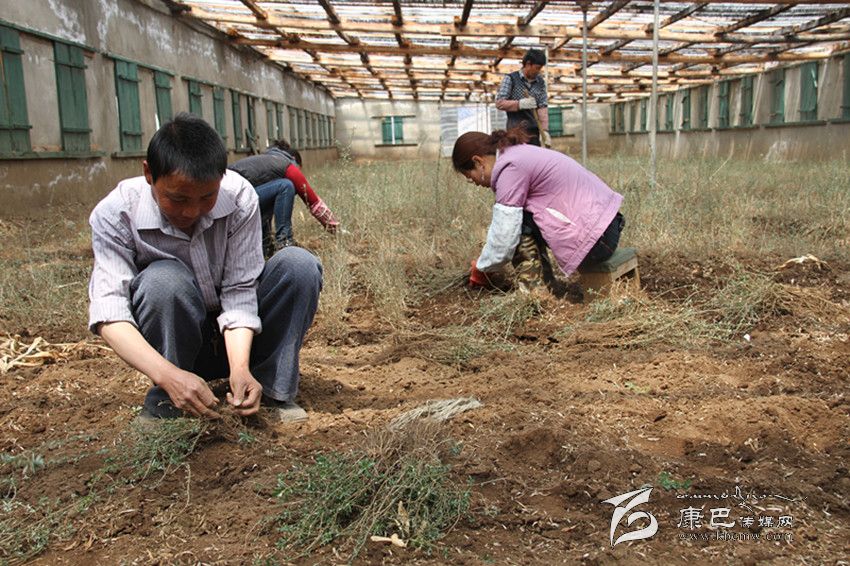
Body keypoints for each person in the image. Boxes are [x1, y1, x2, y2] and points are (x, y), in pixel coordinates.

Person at [88, 113, 323, 423]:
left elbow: (240, 290)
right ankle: (168, 400)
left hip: (244, 339)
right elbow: (110, 314)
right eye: (177, 198)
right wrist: (167, 375)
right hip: (179, 345)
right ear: (148, 174)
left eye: (207, 197)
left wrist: (240, 369)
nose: (192, 211)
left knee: (299, 265)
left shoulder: (239, 196)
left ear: (221, 177)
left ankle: (268, 389)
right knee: (162, 280)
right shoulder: (116, 213)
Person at [452, 127, 625, 293]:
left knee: (515, 224)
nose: (474, 183)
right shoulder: (517, 154)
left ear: (478, 161)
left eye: (470, 177)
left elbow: (504, 238)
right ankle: (548, 285)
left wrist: (482, 268)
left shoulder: (510, 168)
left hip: (595, 243)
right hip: (606, 230)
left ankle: (534, 291)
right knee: (520, 217)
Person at [228, 139, 339, 255]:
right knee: (286, 186)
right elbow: (313, 201)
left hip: (228, 201)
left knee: (274, 194)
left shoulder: (268, 160)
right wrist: (333, 226)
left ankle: (265, 245)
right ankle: (284, 241)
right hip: (235, 200)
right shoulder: (286, 165)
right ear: (294, 159)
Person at [495, 48, 551, 148]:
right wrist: (519, 104)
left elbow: (542, 106)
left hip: (533, 131)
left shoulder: (540, 83)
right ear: (528, 64)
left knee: (534, 156)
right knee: (517, 155)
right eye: (537, 68)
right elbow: (499, 103)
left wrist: (545, 130)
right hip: (515, 131)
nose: (538, 71)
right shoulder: (511, 79)